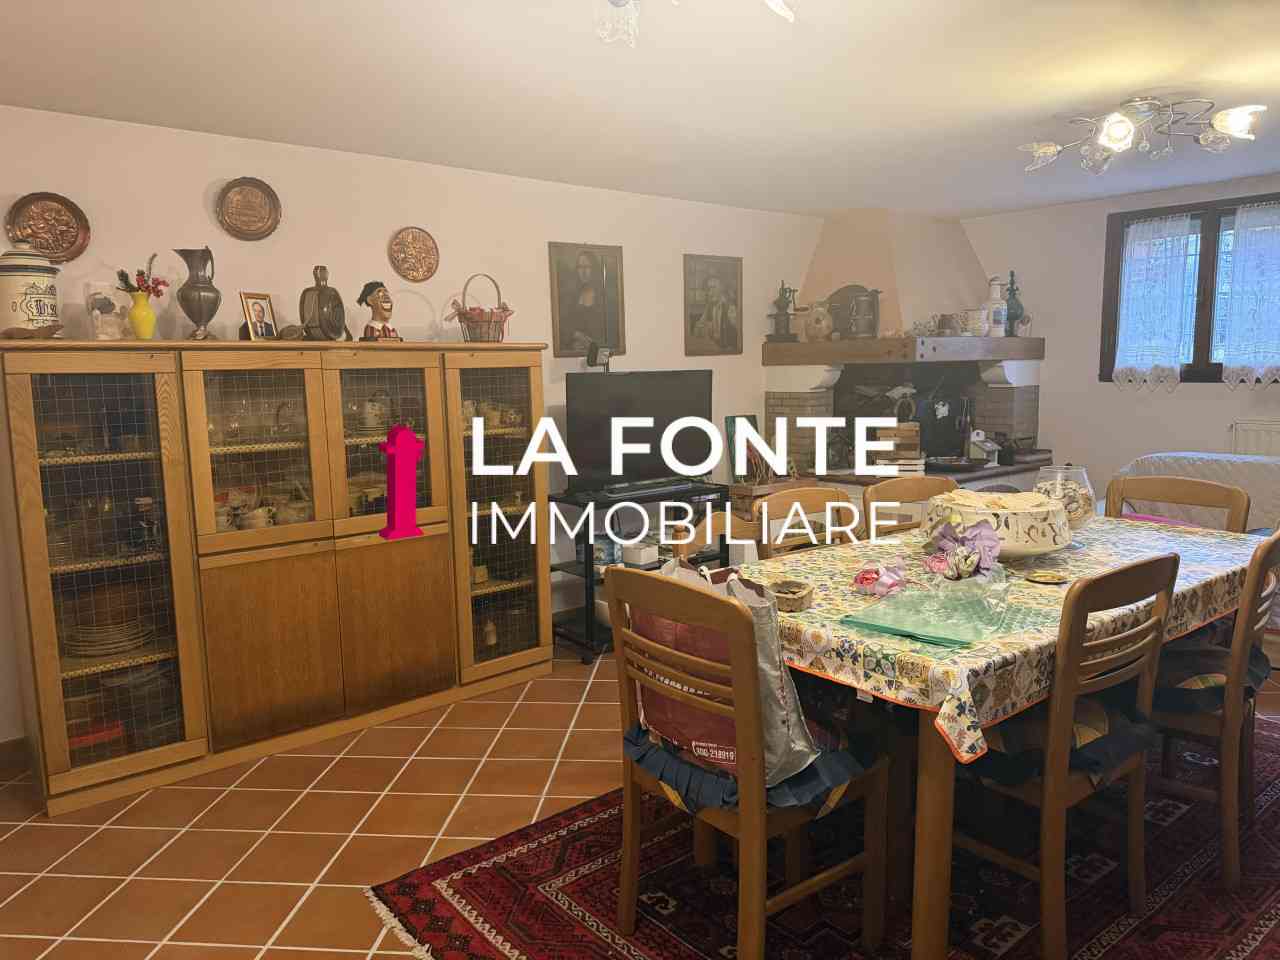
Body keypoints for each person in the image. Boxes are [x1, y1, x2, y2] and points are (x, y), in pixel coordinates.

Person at [560, 249, 609, 352]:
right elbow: (564, 326)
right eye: (580, 267)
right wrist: (576, 336)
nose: (583, 271)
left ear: (594, 269)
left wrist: (591, 344)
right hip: (575, 351)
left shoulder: (603, 296)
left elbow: (607, 330)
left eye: (587, 267)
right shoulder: (572, 296)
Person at [691, 272, 738, 350]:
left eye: (713, 288)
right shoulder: (710, 306)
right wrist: (700, 328)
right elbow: (698, 328)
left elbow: (738, 333)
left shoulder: (730, 306)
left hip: (727, 349)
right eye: (709, 289)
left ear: (722, 288)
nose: (710, 292)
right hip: (714, 345)